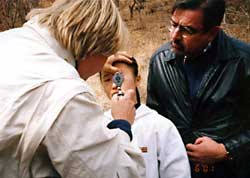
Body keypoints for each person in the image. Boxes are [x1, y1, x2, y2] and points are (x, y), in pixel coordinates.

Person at [0, 0, 145, 178]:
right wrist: (122, 125)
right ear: (95, 48)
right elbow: (118, 173)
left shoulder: (10, 39)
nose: (101, 68)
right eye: (107, 53)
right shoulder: (64, 92)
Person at [146, 0, 250, 178]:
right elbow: (152, 120)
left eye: (187, 30)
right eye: (173, 25)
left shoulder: (243, 62)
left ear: (212, 33)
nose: (174, 36)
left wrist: (226, 150)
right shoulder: (161, 61)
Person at [100, 56, 191, 178]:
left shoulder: (160, 126)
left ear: (137, 79)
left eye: (119, 77)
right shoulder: (98, 126)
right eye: (107, 79)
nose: (114, 84)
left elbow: (178, 173)